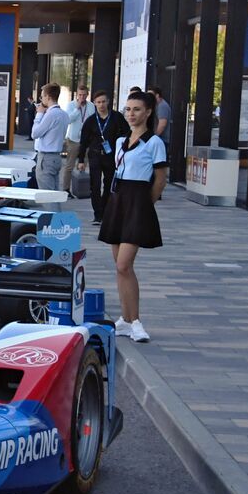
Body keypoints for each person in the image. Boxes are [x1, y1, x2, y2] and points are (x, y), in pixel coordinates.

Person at [99, 90, 167, 343]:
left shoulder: (154, 143)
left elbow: (161, 179)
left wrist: (145, 204)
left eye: (136, 109)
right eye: (128, 109)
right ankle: (125, 320)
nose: (131, 114)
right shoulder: (120, 140)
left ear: (148, 112)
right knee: (120, 267)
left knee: (124, 265)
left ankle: (136, 321)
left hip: (138, 201)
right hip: (118, 200)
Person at [79, 89, 130, 224]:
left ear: (108, 102)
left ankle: (106, 210)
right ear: (94, 103)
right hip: (95, 155)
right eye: (98, 102)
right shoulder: (91, 121)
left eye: (103, 102)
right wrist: (80, 160)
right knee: (94, 185)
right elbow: (83, 141)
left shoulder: (116, 117)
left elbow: (127, 133)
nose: (101, 105)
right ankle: (97, 214)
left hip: (111, 156)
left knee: (108, 185)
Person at [31, 83, 69, 191]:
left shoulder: (51, 114)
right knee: (53, 193)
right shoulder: (64, 114)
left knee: (47, 195)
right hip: (56, 156)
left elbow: (35, 134)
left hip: (46, 157)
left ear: (48, 97)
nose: (41, 99)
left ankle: (53, 209)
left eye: (42, 96)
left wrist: (39, 115)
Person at [61, 85, 89, 191]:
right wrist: (77, 109)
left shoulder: (90, 106)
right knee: (69, 166)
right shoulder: (71, 105)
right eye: (80, 95)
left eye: (84, 95)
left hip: (85, 140)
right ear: (77, 95)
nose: (82, 97)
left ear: (87, 95)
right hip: (73, 140)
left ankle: (79, 189)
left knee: (82, 165)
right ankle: (66, 189)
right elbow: (68, 120)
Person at [149, 85, 172, 154]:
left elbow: (162, 124)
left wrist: (155, 137)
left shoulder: (162, 106)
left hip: (163, 139)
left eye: (151, 95)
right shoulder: (157, 105)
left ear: (157, 95)